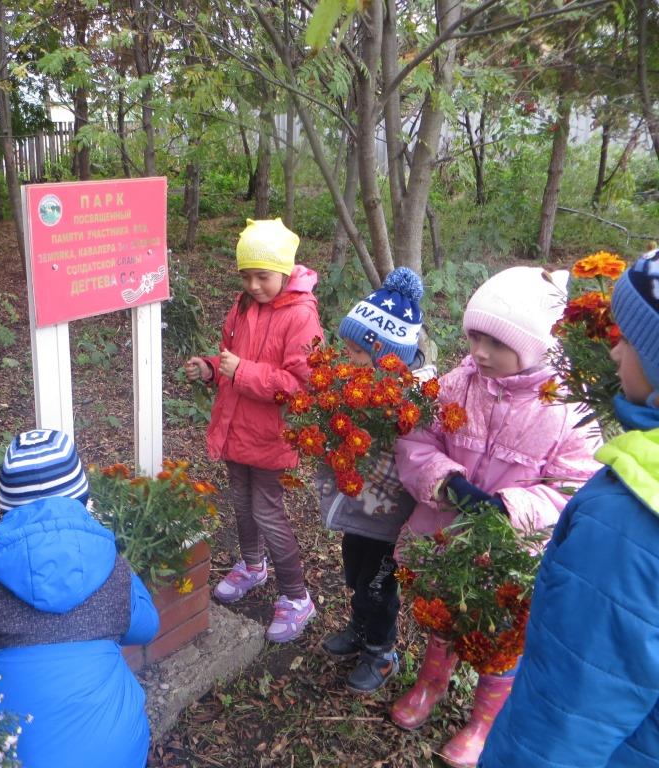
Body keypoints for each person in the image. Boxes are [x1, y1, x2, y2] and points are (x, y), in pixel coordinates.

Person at [391, 265, 602, 767]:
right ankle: (431, 684)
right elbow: (417, 439)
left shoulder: (568, 409)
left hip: (511, 554)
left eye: (495, 343)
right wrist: (445, 479)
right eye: (474, 337)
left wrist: (509, 508)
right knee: (444, 613)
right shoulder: (457, 384)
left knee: (499, 635)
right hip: (447, 535)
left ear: (532, 346)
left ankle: (485, 721)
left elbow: (575, 488)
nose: (479, 352)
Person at [478, 250, 659, 768]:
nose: (613, 351)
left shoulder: (627, 521)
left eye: (630, 340)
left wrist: (508, 505)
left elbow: (564, 715)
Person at [0, 429, 159, 768]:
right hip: (116, 753)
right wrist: (118, 565)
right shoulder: (110, 565)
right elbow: (146, 627)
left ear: (6, 507)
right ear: (83, 498)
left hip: (8, 754)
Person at [184, 218, 324, 643]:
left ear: (283, 270)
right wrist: (211, 368)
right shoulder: (243, 305)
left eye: (262, 276)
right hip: (236, 428)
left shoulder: (301, 317)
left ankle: (297, 597)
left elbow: (301, 387)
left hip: (271, 436)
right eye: (246, 276)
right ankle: (252, 565)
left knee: (266, 511)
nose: (253, 285)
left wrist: (241, 372)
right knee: (242, 505)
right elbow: (231, 357)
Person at [318, 267, 436, 693]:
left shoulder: (415, 403)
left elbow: (419, 459)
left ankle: (381, 654)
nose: (349, 359)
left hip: (392, 516)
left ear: (389, 357)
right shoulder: (360, 388)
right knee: (356, 572)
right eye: (347, 349)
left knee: (379, 585)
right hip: (362, 507)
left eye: (358, 352)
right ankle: (359, 628)